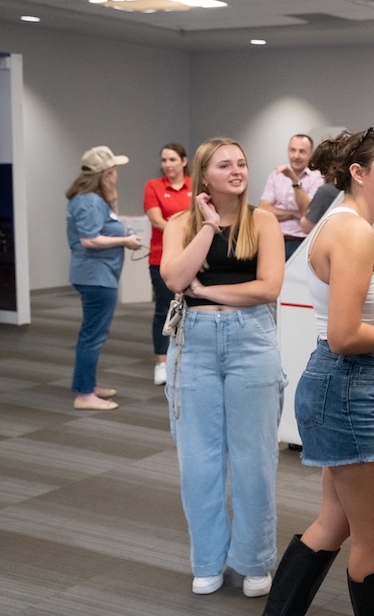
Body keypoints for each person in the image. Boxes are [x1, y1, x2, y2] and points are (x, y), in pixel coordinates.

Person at [263, 128, 374, 616]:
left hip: (353, 385)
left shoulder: (370, 225)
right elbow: (345, 334)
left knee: (334, 521)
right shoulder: (349, 230)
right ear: (357, 173)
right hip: (353, 387)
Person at [161, 137, 286, 598]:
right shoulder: (181, 223)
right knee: (199, 461)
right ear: (204, 175)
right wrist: (209, 227)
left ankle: (254, 560)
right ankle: (208, 559)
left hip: (250, 340)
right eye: (225, 165)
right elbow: (175, 279)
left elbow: (268, 287)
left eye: (242, 163)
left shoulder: (264, 221)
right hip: (192, 343)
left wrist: (209, 291)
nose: (237, 170)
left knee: (254, 460)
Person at [65, 145, 143, 411]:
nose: (116, 174)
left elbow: (108, 220)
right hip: (94, 276)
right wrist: (126, 241)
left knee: (93, 333)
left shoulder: (95, 199)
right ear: (106, 173)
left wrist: (112, 197)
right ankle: (85, 395)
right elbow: (89, 239)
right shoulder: (88, 200)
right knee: (93, 335)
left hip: (99, 274)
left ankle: (87, 384)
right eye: (113, 171)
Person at [143, 142, 192, 385]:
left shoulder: (195, 186)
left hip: (193, 257)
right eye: (164, 160)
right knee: (164, 308)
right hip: (161, 256)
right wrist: (184, 231)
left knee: (192, 308)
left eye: (172, 159)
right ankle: (161, 362)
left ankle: (186, 358)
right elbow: (156, 220)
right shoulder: (153, 187)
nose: (167, 165)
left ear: (183, 161)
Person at [260, 133, 323, 259]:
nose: (296, 156)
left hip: (302, 242)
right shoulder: (276, 175)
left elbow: (306, 211)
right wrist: (293, 214)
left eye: (302, 151)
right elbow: (264, 209)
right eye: (292, 150)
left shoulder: (318, 178)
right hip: (275, 238)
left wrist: (294, 180)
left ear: (311, 154)